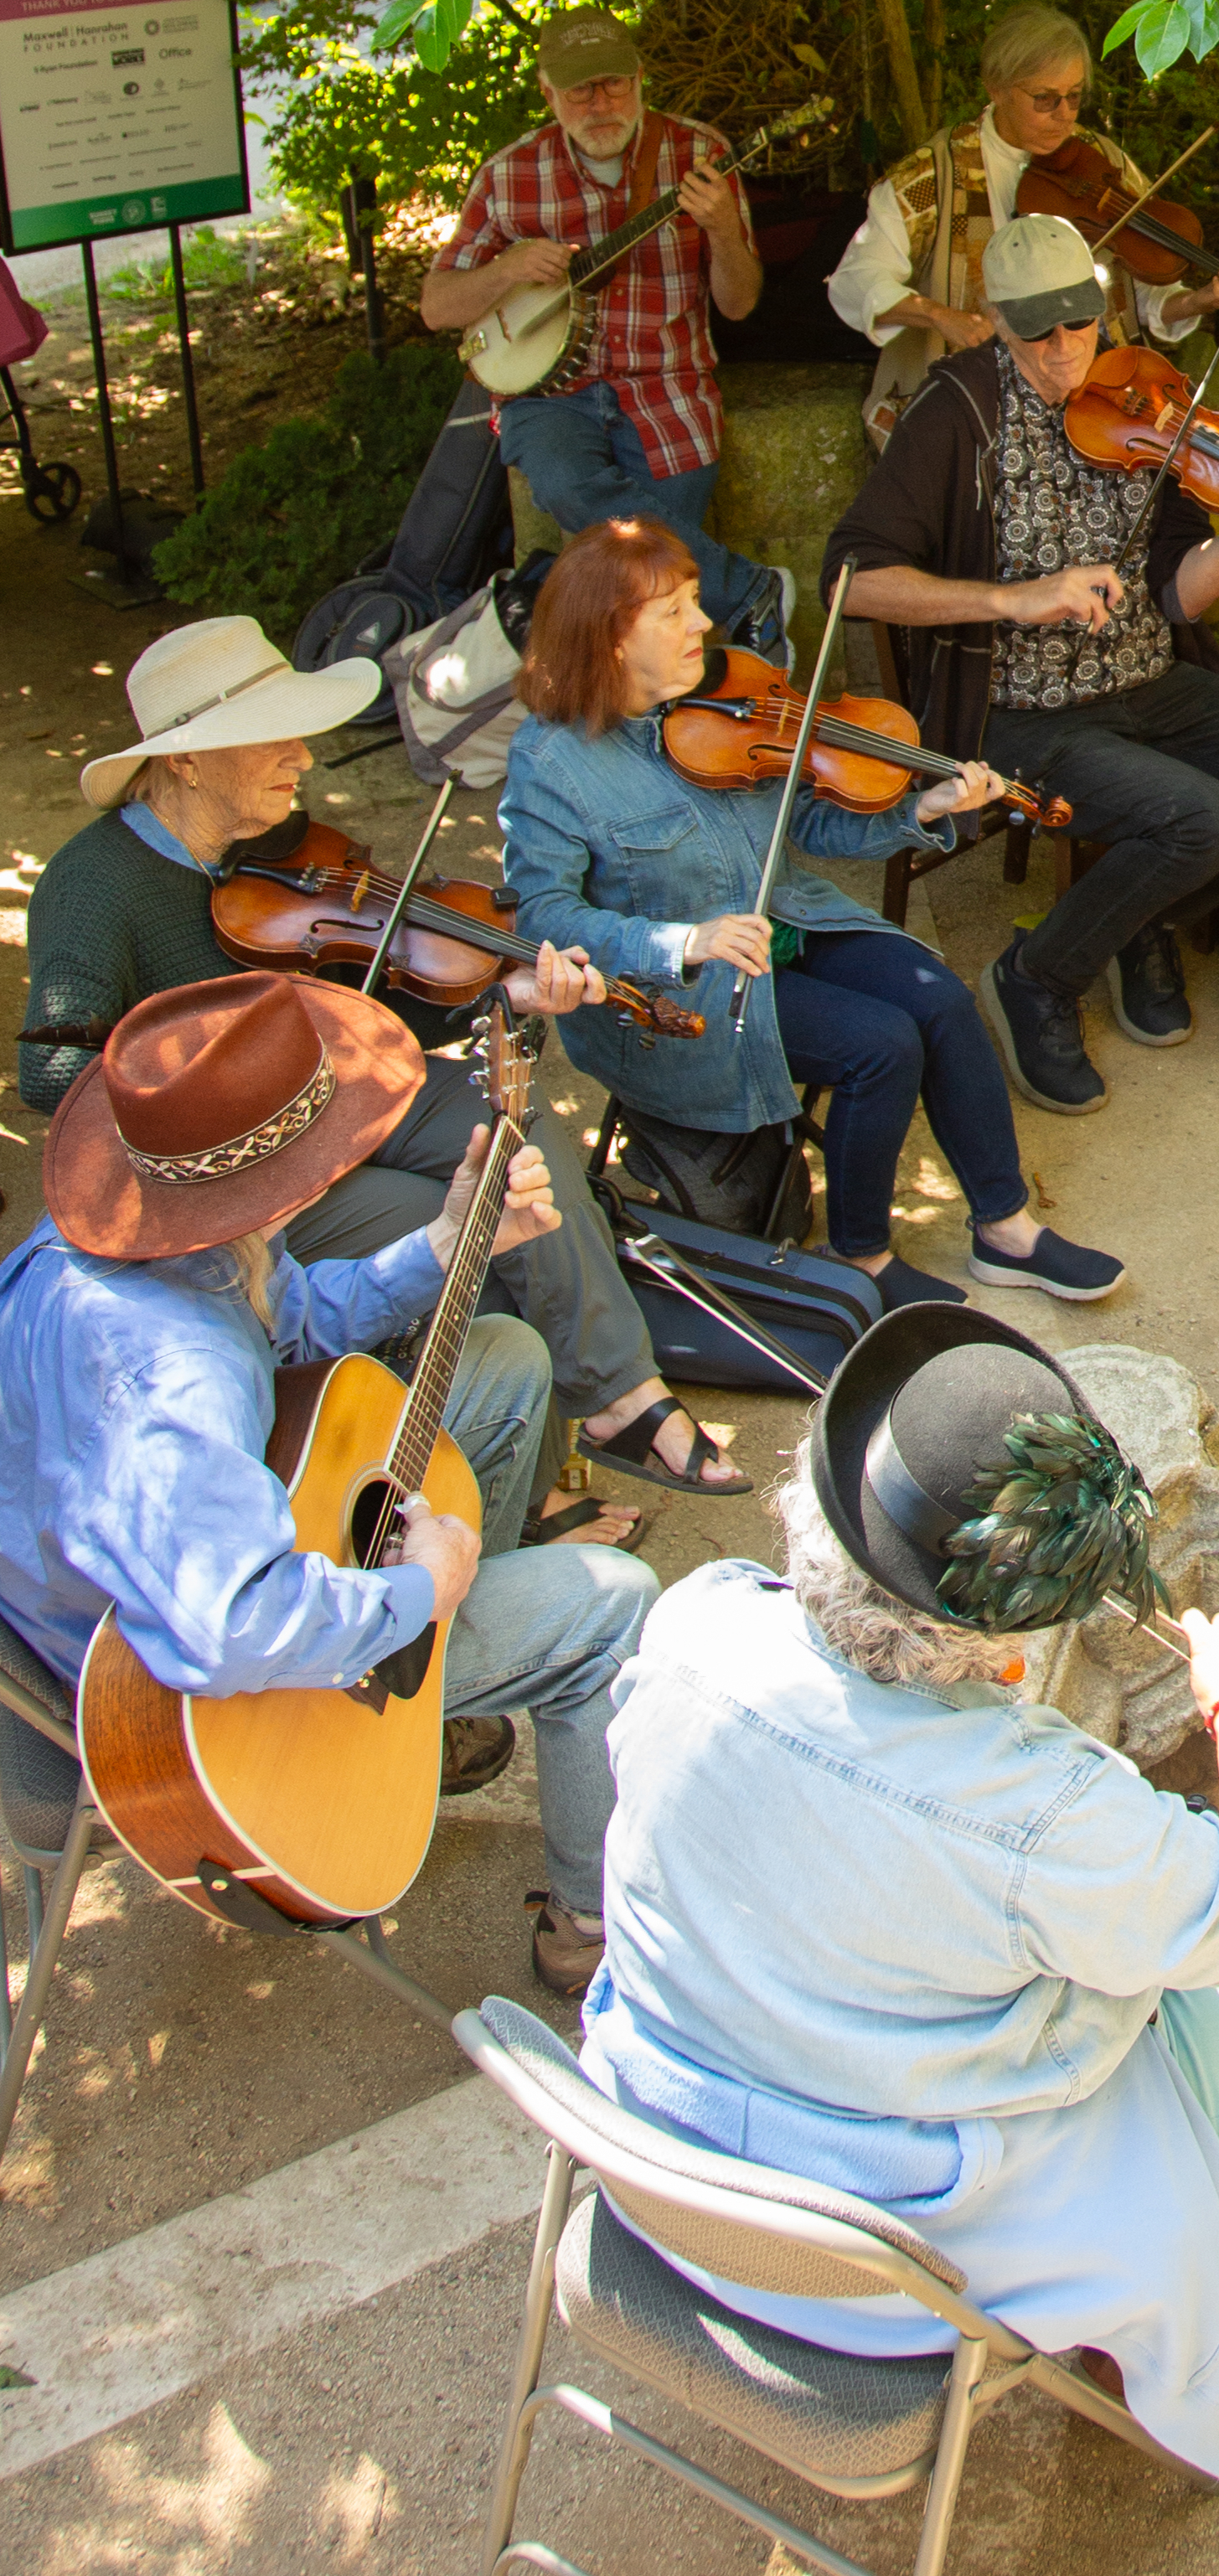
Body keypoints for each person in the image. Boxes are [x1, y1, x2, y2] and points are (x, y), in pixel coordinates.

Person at [573, 1308, 1219, 2484]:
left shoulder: (693, 1622)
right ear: (1001, 1636)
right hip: (892, 2271)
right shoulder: (1040, 1810)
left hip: (665, 2178)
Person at [0, 971, 654, 1995]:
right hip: (196, 1704)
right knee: (613, 1611)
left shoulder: (136, 1235)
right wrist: (422, 1590)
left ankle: (447, 1699)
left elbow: (286, 1322)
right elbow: (231, 1630)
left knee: (506, 1364)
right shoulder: (177, 1376)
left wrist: (449, 1244)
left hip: (156, 1562)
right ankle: (586, 1928)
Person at [14, 613, 749, 1510]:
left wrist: (499, 993)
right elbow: (53, 1074)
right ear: (187, 761)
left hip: (328, 1100)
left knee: (504, 1129)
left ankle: (615, 1393)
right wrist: (216, 1085)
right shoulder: (94, 888)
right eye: (273, 738)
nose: (304, 757)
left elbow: (363, 1004)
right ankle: (494, 1473)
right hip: (223, 1186)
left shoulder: (271, 846)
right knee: (450, 1222)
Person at [499, 521, 1119, 1309]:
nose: (702, 624)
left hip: (788, 924)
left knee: (941, 997)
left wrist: (924, 805)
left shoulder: (722, 701)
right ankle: (859, 1258)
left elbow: (810, 821)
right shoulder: (551, 761)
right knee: (881, 1045)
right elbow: (546, 919)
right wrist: (682, 939)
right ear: (609, 640)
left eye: (697, 603)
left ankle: (1007, 1230)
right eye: (674, 612)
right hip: (675, 996)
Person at [820, 214, 1219, 1116]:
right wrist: (1011, 599)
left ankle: (1136, 915)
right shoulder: (955, 414)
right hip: (1019, 707)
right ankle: (1035, 977)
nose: (1066, 347)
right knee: (1202, 817)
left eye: (1080, 321)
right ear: (996, 317)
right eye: (1037, 328)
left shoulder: (1142, 390)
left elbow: (1182, 596)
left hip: (1152, 679)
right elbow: (850, 579)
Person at [418, 5, 788, 654]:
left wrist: (724, 229)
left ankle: (659, 707)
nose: (599, 104)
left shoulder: (700, 154)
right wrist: (505, 269)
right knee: (568, 486)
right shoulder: (508, 177)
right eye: (578, 90)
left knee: (641, 578)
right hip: (552, 397)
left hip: (666, 388)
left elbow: (740, 305)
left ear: (641, 79)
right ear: (547, 92)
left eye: (613, 84)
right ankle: (750, 590)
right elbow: (437, 307)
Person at [825, 4, 1219, 436]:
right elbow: (855, 281)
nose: (1064, 114)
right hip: (974, 408)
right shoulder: (932, 177)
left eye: (1075, 96)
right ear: (997, 88)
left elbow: (1145, 300)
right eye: (1044, 99)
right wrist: (936, 315)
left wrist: (1198, 302)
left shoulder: (1103, 164)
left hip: (1095, 408)